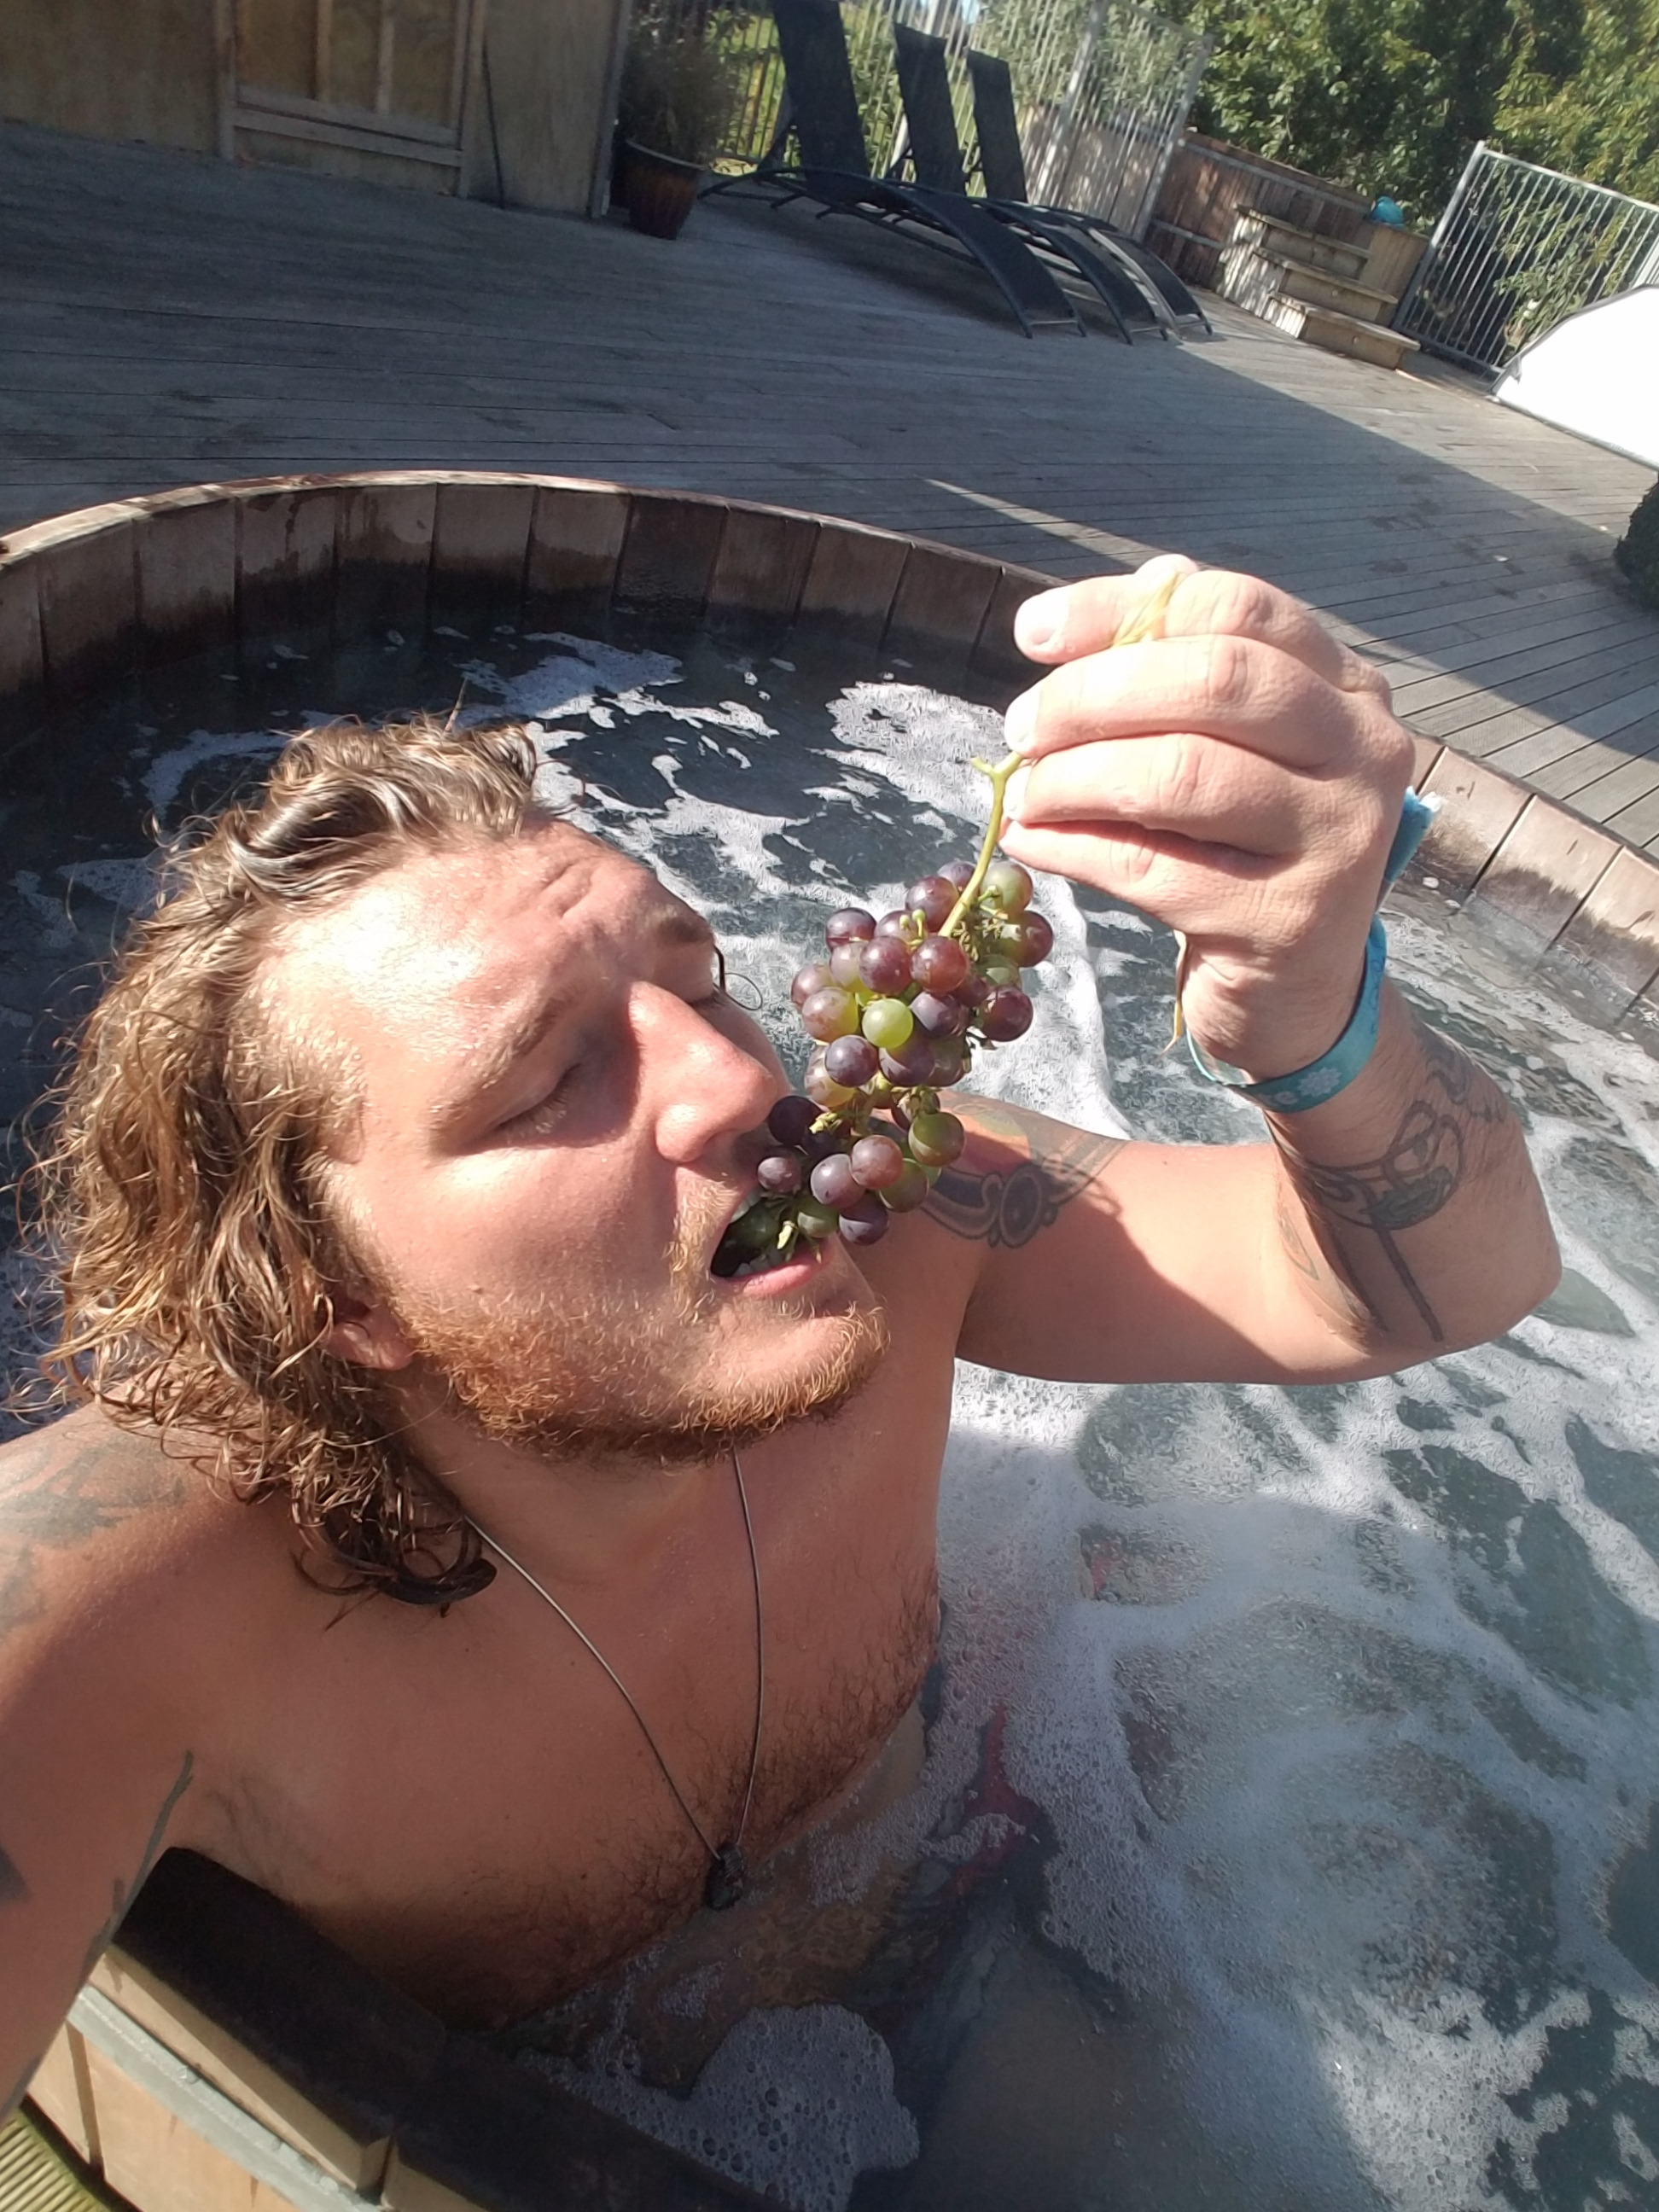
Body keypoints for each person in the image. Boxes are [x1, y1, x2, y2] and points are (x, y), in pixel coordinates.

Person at [0, 559, 1557, 2109]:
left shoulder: (907, 1227)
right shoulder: (150, 1600)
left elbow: (1430, 1284)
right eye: (550, 1084)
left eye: (702, 986)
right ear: (332, 1293)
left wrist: (1318, 1019)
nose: (743, 1085)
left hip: (970, 1938)